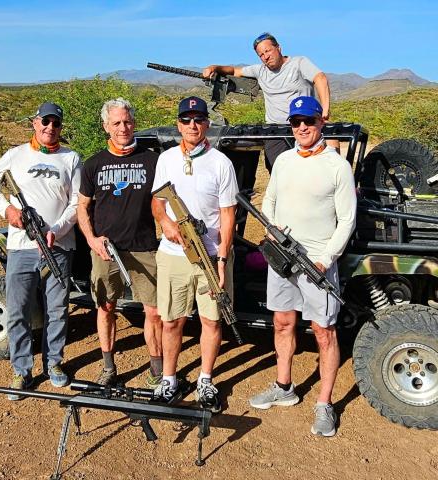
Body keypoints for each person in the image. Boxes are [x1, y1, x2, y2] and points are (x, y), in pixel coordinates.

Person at [248, 96, 356, 437]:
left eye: (308, 120)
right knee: (282, 322)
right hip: (282, 259)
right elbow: (271, 199)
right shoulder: (283, 161)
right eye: (296, 122)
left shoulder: (336, 166)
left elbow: (347, 219)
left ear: (320, 122)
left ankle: (324, 403)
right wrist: (270, 227)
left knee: (324, 332)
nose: (303, 127)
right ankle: (284, 387)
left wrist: (327, 258)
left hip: (318, 262)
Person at [0, 102, 81, 400]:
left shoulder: (71, 158)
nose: (50, 128)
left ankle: (54, 363)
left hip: (58, 247)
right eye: (45, 122)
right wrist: (9, 210)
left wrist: (57, 230)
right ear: (35, 123)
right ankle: (22, 370)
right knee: (18, 311)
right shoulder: (15, 155)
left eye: (56, 123)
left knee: (57, 310)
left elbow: (78, 202)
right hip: (21, 247)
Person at [151, 96, 239, 413]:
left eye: (198, 119)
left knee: (211, 322)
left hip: (209, 255)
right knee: (171, 321)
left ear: (207, 124)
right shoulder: (166, 160)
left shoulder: (221, 163)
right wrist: (166, 223)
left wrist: (222, 259)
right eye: (186, 119)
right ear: (178, 124)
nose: (192, 125)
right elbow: (157, 203)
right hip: (174, 254)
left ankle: (205, 379)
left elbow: (228, 215)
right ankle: (169, 379)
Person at [77, 98, 162, 387]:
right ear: (106, 126)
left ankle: (156, 369)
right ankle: (109, 367)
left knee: (153, 310)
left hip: (144, 245)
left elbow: (164, 202)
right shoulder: (94, 164)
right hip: (106, 249)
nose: (123, 127)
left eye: (127, 121)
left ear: (133, 123)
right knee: (106, 307)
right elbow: (82, 207)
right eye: (116, 123)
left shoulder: (152, 160)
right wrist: (91, 240)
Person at [203, 32, 338, 172]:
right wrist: (214, 68)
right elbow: (234, 70)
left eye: (268, 51)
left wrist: (325, 111)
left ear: (278, 48)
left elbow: (320, 78)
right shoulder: (259, 71)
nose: (265, 56)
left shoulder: (299, 63)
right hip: (276, 130)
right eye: (261, 55)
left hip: (304, 123)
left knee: (322, 162)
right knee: (278, 170)